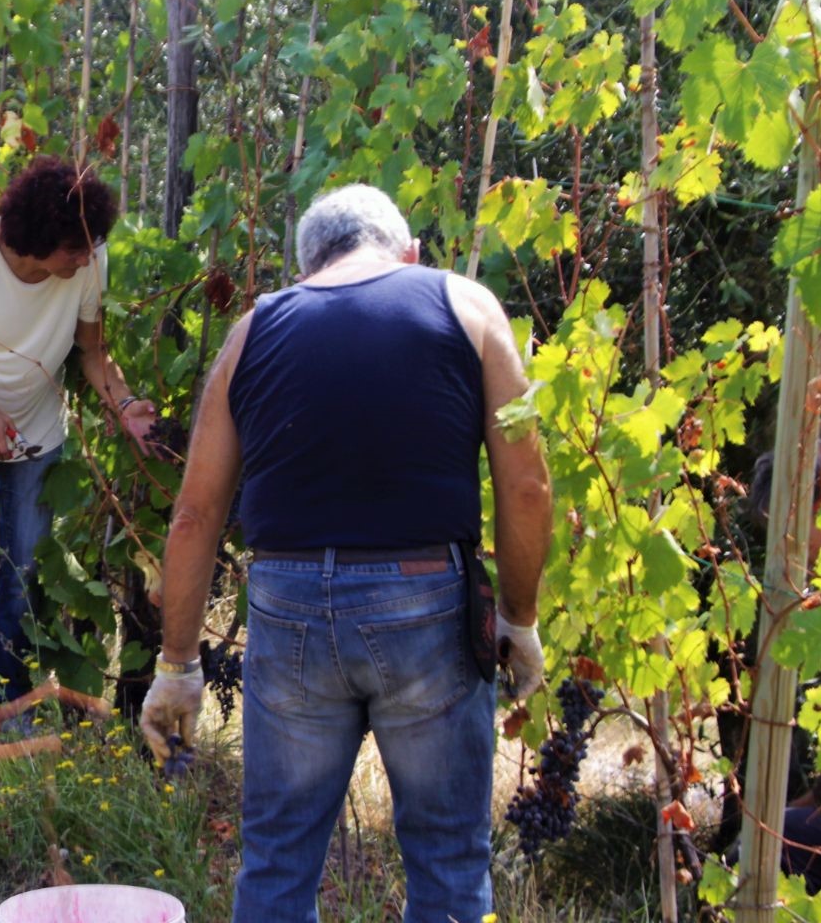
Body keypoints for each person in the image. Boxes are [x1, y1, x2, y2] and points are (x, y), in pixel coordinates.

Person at [140, 184, 553, 923]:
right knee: (448, 862)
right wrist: (518, 620)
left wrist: (176, 666)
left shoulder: (254, 330)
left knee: (277, 859)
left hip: (288, 601)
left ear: (306, 269)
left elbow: (197, 513)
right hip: (425, 599)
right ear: (410, 255)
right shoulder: (465, 305)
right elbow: (527, 490)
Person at [0, 156, 157, 703]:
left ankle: (7, 694)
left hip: (37, 428)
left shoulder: (90, 257)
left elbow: (93, 353)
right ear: (38, 239)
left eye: (90, 246)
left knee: (25, 569)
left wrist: (126, 404)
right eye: (74, 248)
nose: (87, 257)